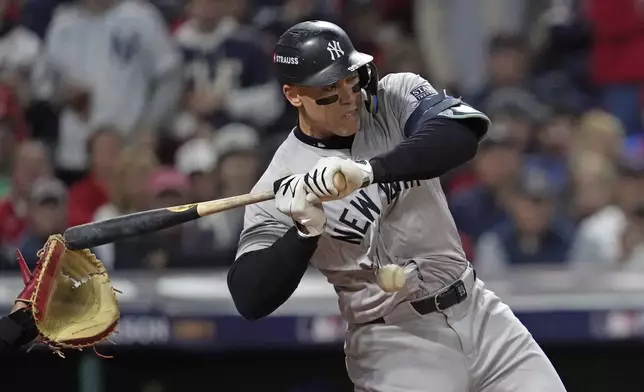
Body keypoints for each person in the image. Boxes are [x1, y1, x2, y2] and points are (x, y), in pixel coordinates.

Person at [227, 21, 567, 392]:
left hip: (479, 312)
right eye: (329, 89)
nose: (348, 97)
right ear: (294, 95)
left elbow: (461, 134)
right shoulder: (280, 180)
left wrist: (368, 171)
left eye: (350, 79)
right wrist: (303, 233)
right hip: (394, 342)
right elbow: (250, 297)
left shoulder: (391, 98)